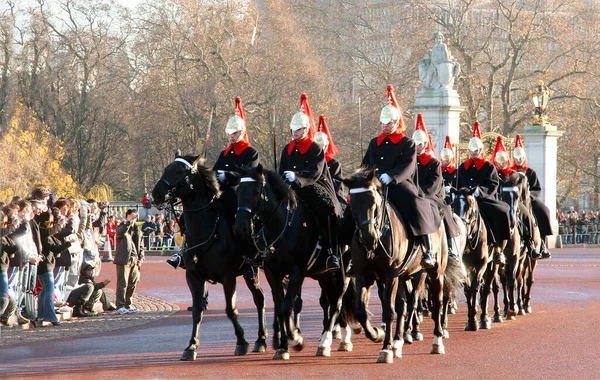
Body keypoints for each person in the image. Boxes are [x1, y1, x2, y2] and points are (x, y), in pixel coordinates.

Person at [361, 85, 441, 268]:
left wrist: (392, 176)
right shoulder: (374, 143)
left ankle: (427, 248)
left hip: (399, 184)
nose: (385, 126)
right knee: (357, 206)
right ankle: (350, 252)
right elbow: (366, 165)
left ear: (396, 123)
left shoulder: (407, 143)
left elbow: (409, 166)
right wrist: (364, 178)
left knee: (417, 203)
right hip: (376, 185)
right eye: (382, 123)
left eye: (388, 123)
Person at [279, 93, 342, 272]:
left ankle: (332, 252)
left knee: (328, 210)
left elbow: (315, 171)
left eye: (298, 129)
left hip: (313, 186)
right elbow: (281, 169)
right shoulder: (287, 149)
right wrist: (284, 180)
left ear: (306, 129)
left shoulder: (314, 148)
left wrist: (297, 177)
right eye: (293, 129)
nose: (295, 132)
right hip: (291, 188)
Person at [456, 122, 511, 264]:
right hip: (466, 199)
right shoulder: (463, 167)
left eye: (476, 150)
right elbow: (458, 184)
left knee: (502, 211)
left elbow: (493, 184)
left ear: (481, 150)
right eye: (471, 150)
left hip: (483, 199)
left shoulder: (488, 166)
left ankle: (499, 249)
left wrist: (480, 192)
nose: (474, 153)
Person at [412, 114, 461, 261]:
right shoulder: (410, 161)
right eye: (415, 144)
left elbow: (434, 183)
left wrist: (421, 193)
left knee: (445, 211)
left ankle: (450, 247)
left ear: (425, 144)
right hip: (412, 194)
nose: (417, 147)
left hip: (430, 195)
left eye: (420, 144)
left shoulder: (433, 163)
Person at [491, 136, 540, 259]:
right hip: (498, 203)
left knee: (529, 216)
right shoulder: (493, 174)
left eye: (503, 161)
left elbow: (527, 192)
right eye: (499, 161)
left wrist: (528, 199)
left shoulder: (516, 175)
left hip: (515, 203)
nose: (501, 164)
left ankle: (531, 243)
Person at [511, 134, 555, 259]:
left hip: (528, 200)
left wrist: (530, 197)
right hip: (514, 200)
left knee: (544, 211)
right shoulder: (510, 172)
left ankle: (543, 243)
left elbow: (537, 188)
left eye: (520, 157)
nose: (518, 160)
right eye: (516, 158)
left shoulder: (530, 172)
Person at [37, 211, 71, 325]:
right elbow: (55, 249)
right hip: (46, 265)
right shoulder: (45, 235)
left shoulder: (45, 234)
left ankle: (41, 314)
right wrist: (68, 243)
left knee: (44, 291)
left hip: (47, 264)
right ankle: (51, 316)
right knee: (49, 291)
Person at [113, 209, 144, 314]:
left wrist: (141, 258)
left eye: (135, 215)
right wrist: (128, 223)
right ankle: (120, 305)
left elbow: (141, 246)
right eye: (131, 215)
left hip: (134, 260)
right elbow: (119, 233)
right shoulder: (123, 226)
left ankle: (128, 304)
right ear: (127, 216)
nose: (134, 217)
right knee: (123, 283)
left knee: (133, 282)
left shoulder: (138, 230)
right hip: (123, 258)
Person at [440, 136, 457, 204]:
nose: (446, 162)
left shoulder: (456, 171)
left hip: (451, 196)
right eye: (444, 160)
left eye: (448, 160)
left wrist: (451, 188)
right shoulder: (438, 170)